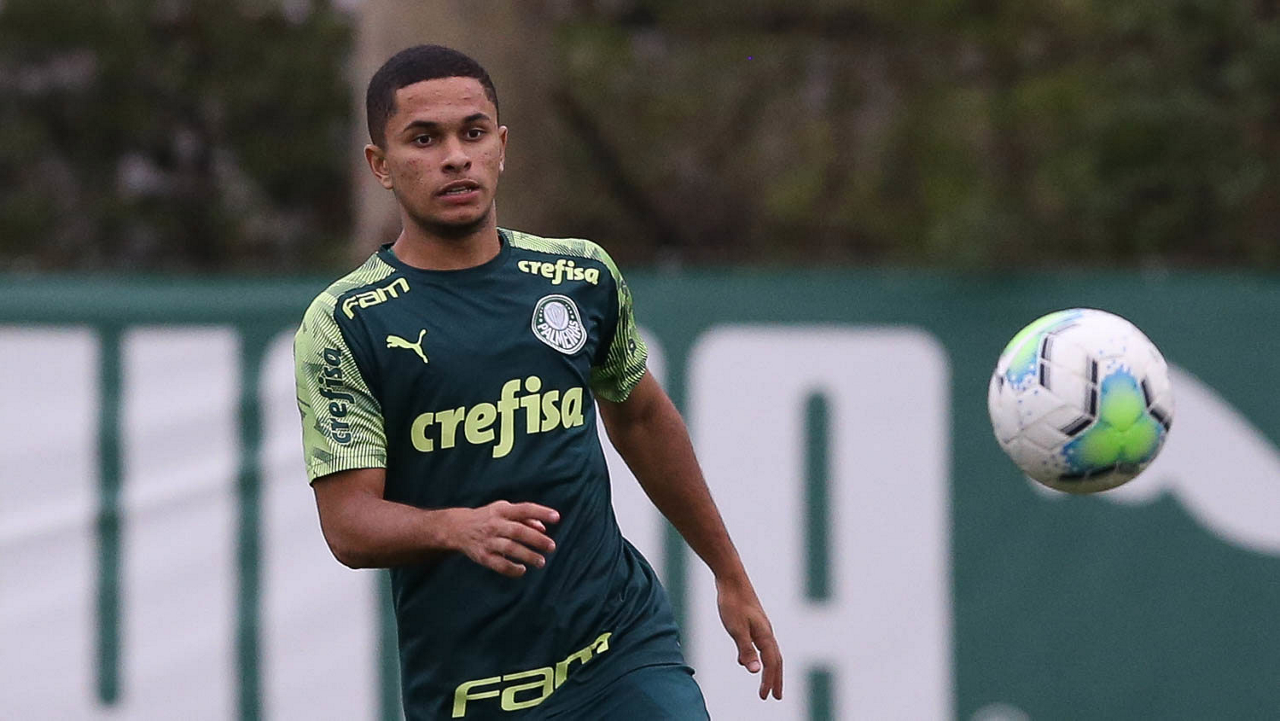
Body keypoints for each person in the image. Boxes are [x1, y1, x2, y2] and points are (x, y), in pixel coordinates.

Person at [293, 44, 782, 719]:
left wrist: (729, 572)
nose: (456, 157)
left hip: (620, 650)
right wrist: (455, 528)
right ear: (380, 164)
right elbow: (348, 523)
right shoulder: (346, 323)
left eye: (473, 133)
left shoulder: (580, 277)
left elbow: (641, 419)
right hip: (471, 692)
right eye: (425, 139)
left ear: (501, 145)